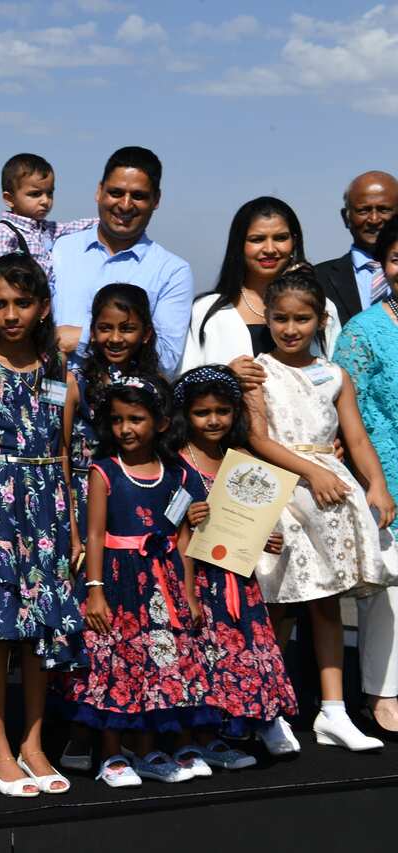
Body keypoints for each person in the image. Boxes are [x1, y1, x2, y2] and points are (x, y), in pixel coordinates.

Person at [0, 253, 84, 798]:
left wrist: (73, 528)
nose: (11, 314)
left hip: (48, 506)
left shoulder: (59, 370)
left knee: (41, 632)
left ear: (42, 307)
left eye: (22, 303)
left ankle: (33, 745)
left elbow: (67, 454)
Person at [245, 266, 396, 752]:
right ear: (266, 318)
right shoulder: (257, 372)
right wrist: (311, 471)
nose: (291, 329)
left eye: (302, 319)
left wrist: (377, 485)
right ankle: (269, 707)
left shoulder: (335, 374)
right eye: (281, 318)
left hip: (332, 496)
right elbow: (257, 438)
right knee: (280, 602)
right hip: (283, 492)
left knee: (327, 600)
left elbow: (355, 436)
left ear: (320, 320)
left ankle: (332, 711)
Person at [61, 374, 214, 787]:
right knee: (116, 664)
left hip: (161, 584)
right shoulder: (105, 470)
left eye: (136, 419)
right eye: (117, 420)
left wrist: (188, 594)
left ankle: (146, 751)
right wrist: (94, 592)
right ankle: (111, 756)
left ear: (161, 422)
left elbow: (181, 538)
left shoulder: (176, 474)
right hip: (115, 581)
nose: (125, 428)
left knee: (155, 665)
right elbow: (94, 534)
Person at [56, 283, 160, 774]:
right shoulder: (72, 375)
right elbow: (54, 436)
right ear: (91, 329)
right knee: (86, 630)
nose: (115, 337)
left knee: (134, 632)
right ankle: (79, 729)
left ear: (145, 332)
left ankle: (135, 733)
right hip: (81, 503)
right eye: (105, 327)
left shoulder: (158, 385)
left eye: (127, 328)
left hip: (133, 516)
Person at [172, 366, 300, 763]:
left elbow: (252, 518)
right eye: (202, 412)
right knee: (201, 654)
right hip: (195, 576)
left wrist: (267, 538)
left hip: (236, 577)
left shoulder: (243, 458)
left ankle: (256, 720)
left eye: (223, 411)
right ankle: (204, 734)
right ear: (185, 416)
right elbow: (165, 521)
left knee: (247, 648)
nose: (213, 420)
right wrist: (185, 516)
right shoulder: (176, 462)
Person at [332, 214, 398, 741]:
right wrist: (375, 477)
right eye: (397, 258)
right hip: (385, 475)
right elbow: (348, 411)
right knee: (388, 593)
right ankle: (382, 693)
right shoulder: (364, 329)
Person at [51, 146, 193, 373]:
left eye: (138, 196)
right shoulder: (59, 249)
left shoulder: (172, 272)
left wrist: (84, 337)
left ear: (156, 199)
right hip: (50, 400)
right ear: (99, 191)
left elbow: (166, 360)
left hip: (121, 404)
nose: (125, 205)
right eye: (116, 193)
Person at [180, 197, 341, 384]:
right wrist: (224, 376)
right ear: (239, 244)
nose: (270, 249)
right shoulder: (206, 311)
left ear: (294, 242)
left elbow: (339, 378)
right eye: (257, 239)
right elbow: (183, 384)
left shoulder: (324, 307)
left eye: (280, 238)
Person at [0, 153, 97, 282]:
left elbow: (78, 226)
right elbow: (1, 275)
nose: (45, 200)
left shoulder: (47, 229)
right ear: (9, 199)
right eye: (35, 194)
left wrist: (108, 219)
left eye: (49, 193)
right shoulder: (5, 232)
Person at [315, 171, 398, 325]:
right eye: (363, 210)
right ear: (346, 217)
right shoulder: (317, 280)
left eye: (383, 209)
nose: (374, 219)